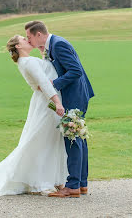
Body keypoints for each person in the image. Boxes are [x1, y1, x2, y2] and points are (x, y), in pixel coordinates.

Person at [0, 35, 68, 196]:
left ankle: (54, 178)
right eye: (23, 39)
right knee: (44, 140)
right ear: (18, 46)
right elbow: (43, 82)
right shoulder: (28, 62)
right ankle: (43, 180)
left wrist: (42, 51)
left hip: (44, 100)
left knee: (49, 139)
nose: (27, 40)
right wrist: (57, 103)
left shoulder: (26, 61)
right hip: (48, 102)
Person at [25, 21, 94, 198]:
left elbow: (75, 71)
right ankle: (81, 184)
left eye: (29, 36)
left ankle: (72, 187)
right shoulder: (50, 46)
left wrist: (54, 84)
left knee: (72, 137)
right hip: (74, 95)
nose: (28, 40)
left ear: (38, 34)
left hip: (75, 96)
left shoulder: (59, 44)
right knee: (78, 137)